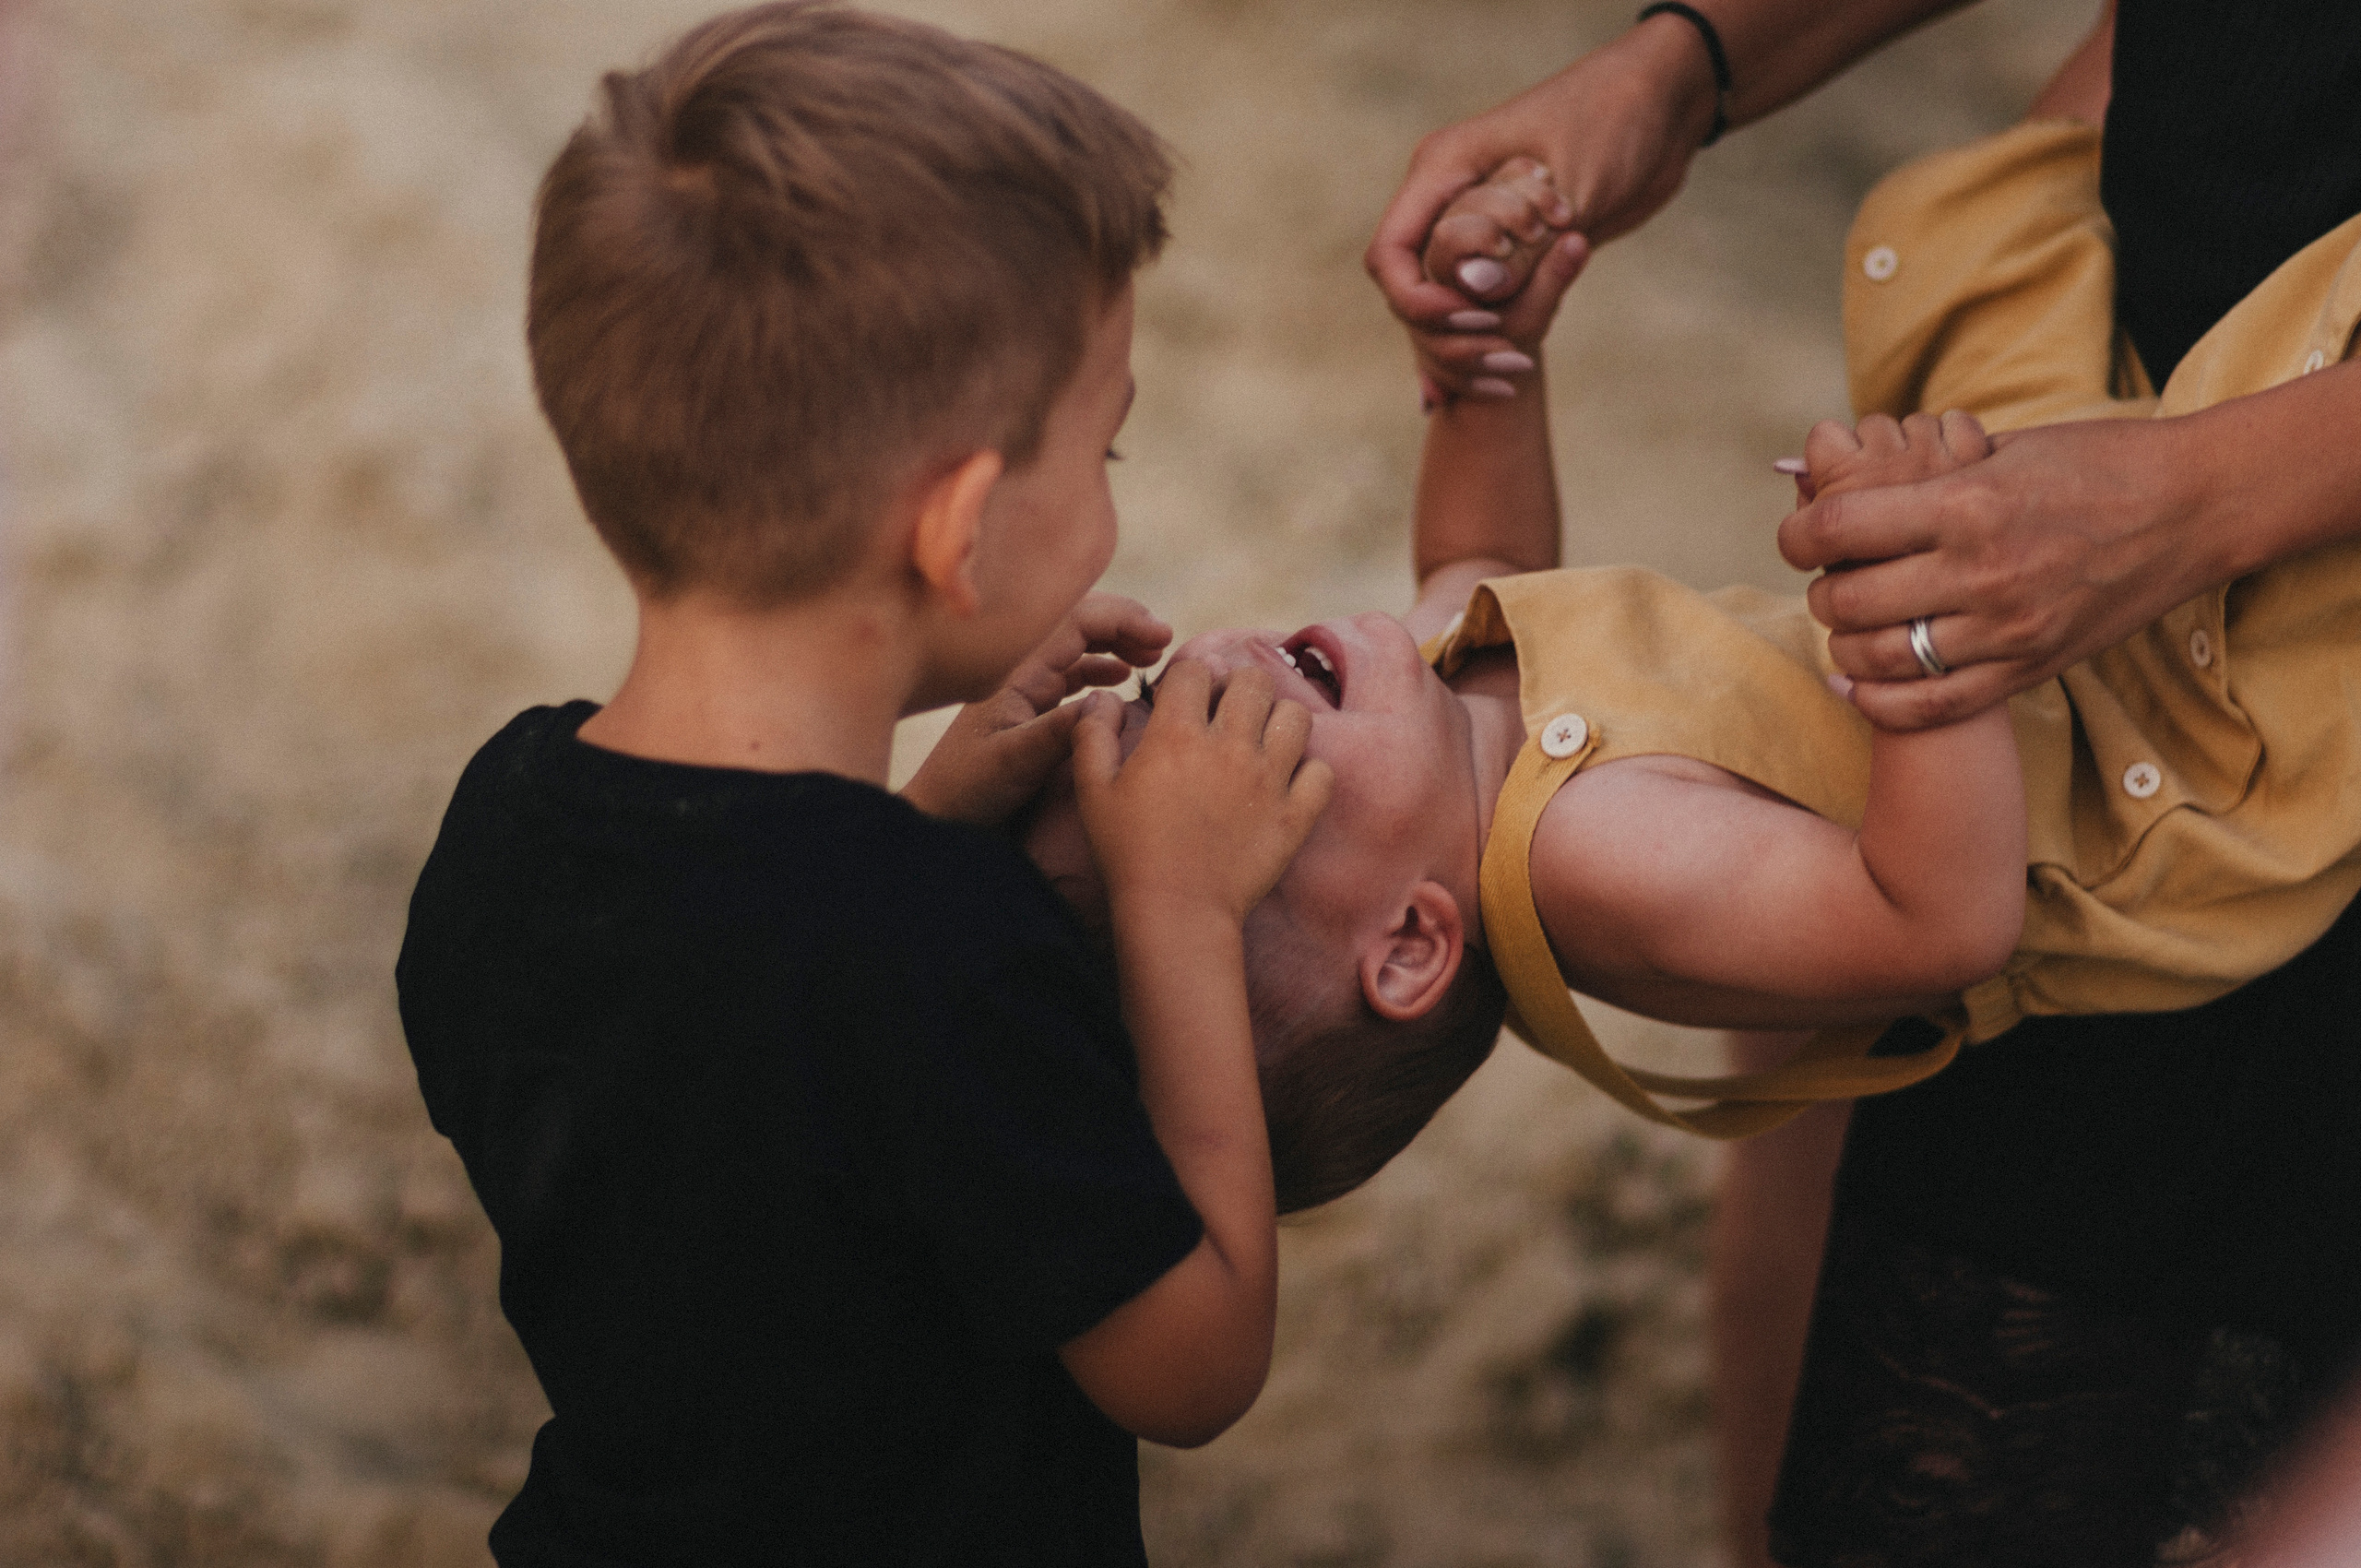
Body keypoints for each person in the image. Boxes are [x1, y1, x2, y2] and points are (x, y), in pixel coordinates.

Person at [1367, 2, 2361, 1564]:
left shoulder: (1435, 691)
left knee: (2058, 187)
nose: (1231, 674)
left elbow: (1483, 560)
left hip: (2040, 602)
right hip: (2140, 764)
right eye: (1254, 733)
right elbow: (1933, 921)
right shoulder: (1589, 864)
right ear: (1408, 941)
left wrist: (1480, 365)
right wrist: (1915, 658)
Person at [394, 6, 1334, 1564]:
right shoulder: (945, 950)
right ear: (958, 530)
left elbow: (733, 1065)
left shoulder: (504, 819)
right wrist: (1181, 902)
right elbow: (1194, 1365)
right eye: (1107, 453)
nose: (1110, 492)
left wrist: (925, 815)